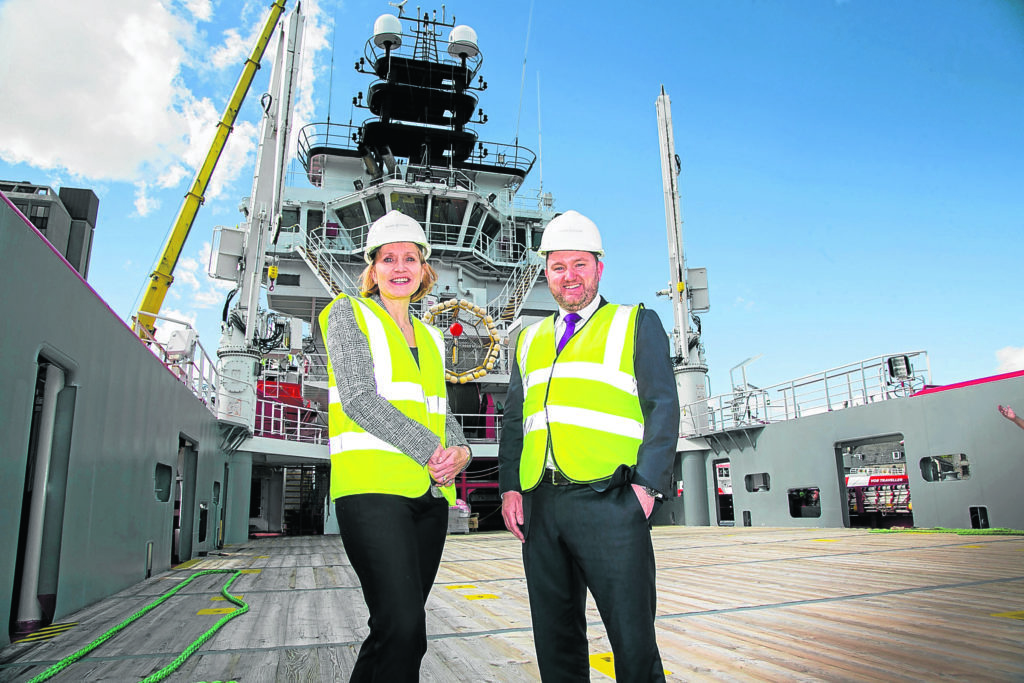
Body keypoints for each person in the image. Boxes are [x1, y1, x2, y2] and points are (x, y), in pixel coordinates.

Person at [498, 210, 679, 682]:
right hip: (541, 503)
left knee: (633, 644)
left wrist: (645, 489)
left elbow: (663, 407)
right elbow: (516, 420)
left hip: (611, 501)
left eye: (579, 265)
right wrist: (510, 488)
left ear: (599, 267)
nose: (569, 277)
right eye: (559, 267)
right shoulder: (528, 339)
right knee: (555, 643)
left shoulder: (635, 323)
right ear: (546, 274)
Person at [319, 210, 472, 682]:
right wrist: (432, 451)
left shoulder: (429, 334)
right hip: (371, 492)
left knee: (401, 630)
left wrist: (461, 451)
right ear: (373, 268)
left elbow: (439, 410)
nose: (399, 267)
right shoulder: (348, 312)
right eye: (388, 258)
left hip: (429, 498)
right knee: (403, 626)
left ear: (425, 269)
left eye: (409, 258)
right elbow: (360, 398)